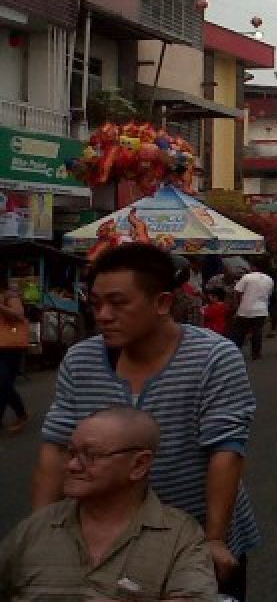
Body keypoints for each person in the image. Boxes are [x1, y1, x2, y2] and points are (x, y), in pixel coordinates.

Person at [32, 243, 258, 599]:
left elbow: (226, 450)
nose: (103, 315)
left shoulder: (215, 357)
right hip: (101, 537)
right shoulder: (80, 361)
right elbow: (57, 448)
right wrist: (41, 531)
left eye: (119, 303)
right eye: (95, 304)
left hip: (194, 537)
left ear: (162, 303)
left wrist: (214, 539)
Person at [2, 407, 217, 599]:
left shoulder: (179, 536)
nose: (72, 466)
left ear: (139, 465)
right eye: (72, 452)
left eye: (90, 455)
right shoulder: (36, 527)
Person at [229, 259, 274, 361]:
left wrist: (237, 305)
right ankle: (256, 353)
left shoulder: (247, 277)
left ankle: (235, 352)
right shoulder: (269, 279)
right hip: (261, 310)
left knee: (239, 332)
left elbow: (237, 291)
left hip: (245, 308)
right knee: (257, 332)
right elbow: (269, 294)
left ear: (254, 266)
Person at [0, 288, 30, 434]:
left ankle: (21, 414)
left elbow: (19, 315)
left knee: (3, 383)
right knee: (4, 385)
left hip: (9, 347)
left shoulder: (9, 295)